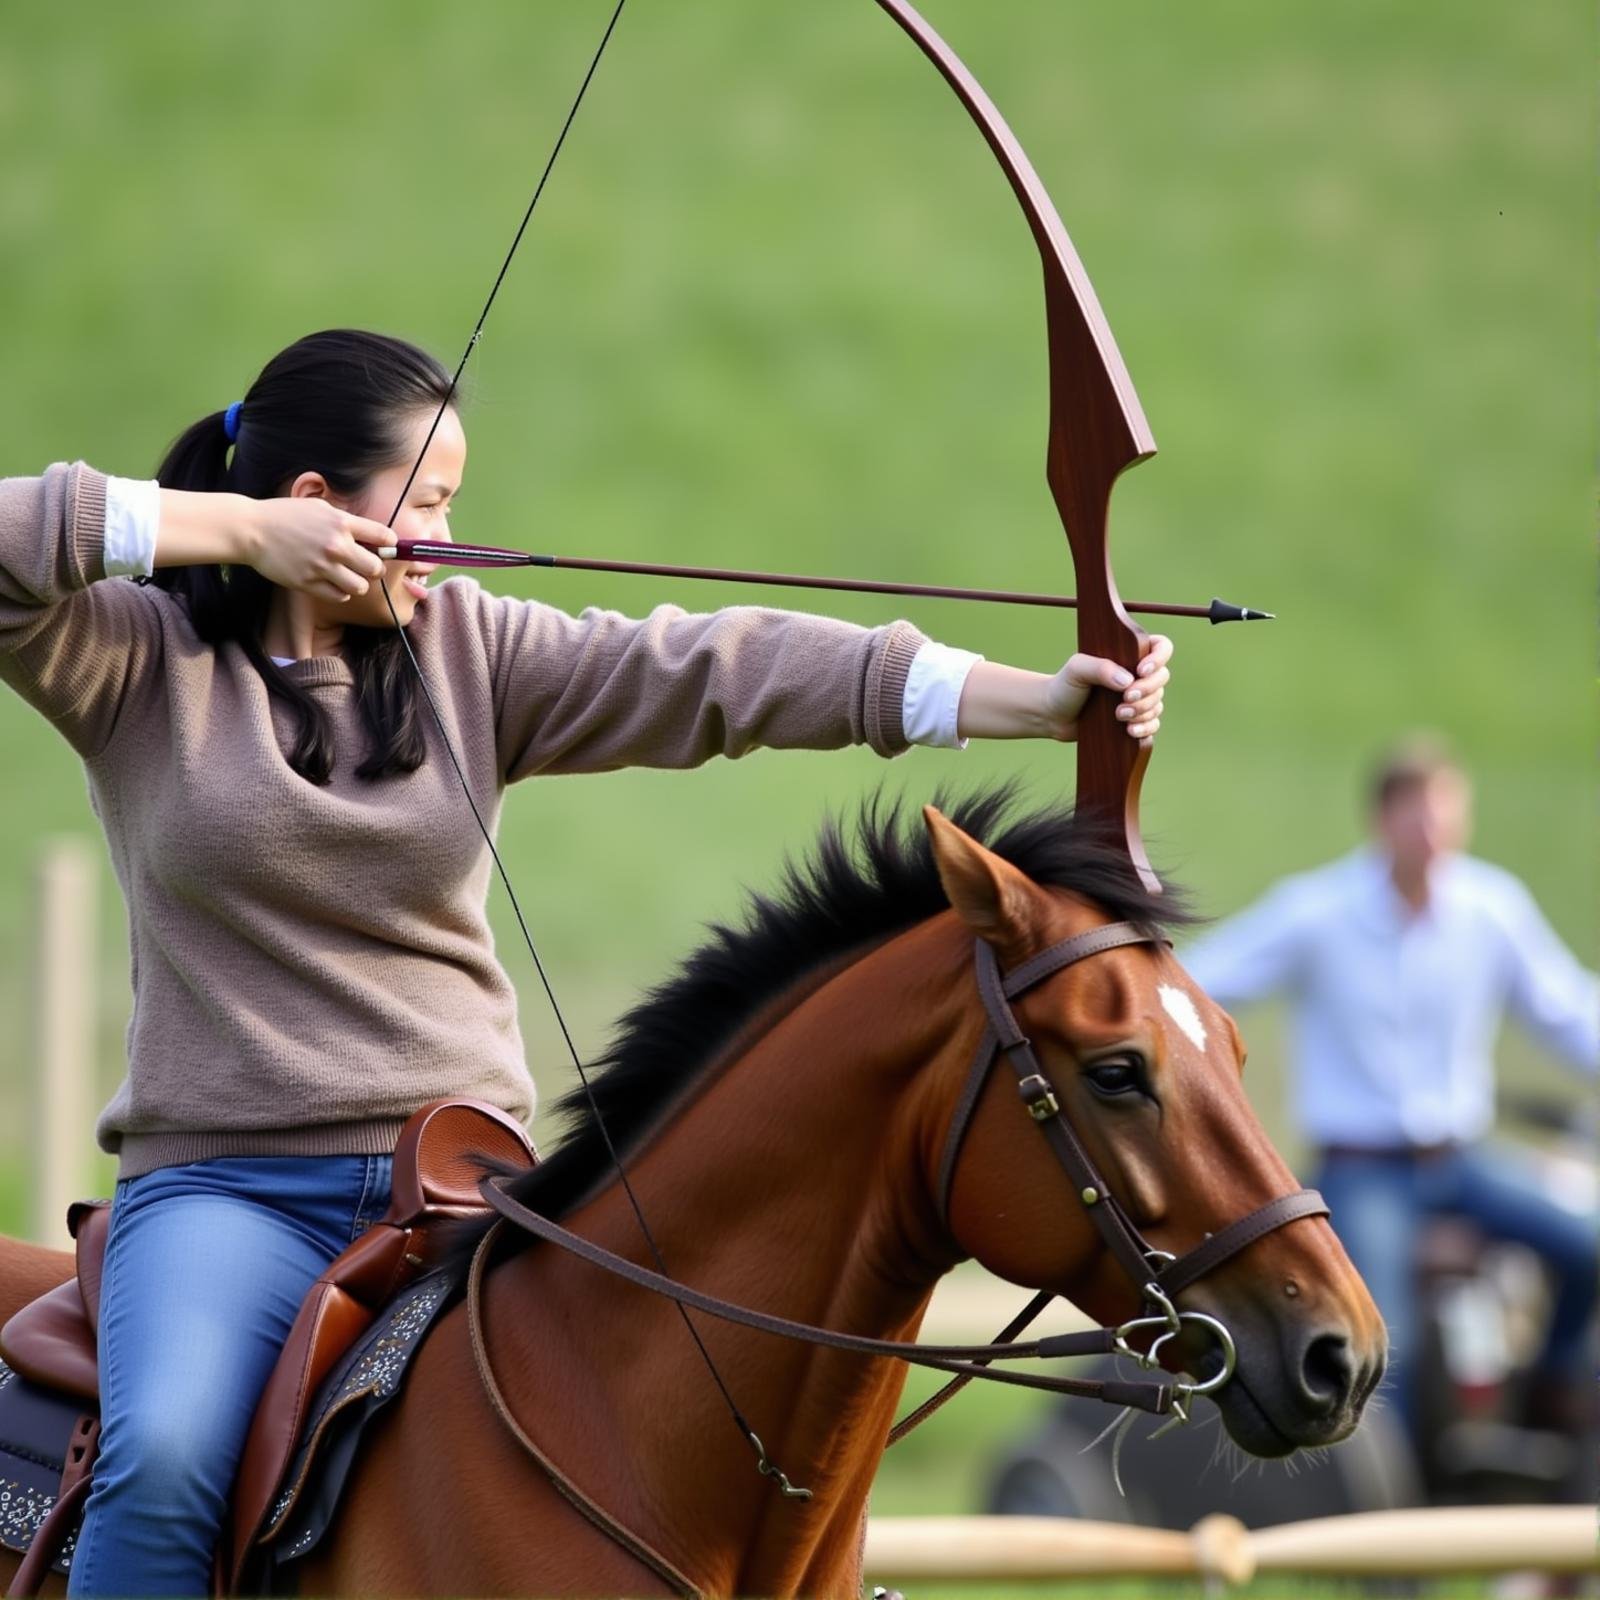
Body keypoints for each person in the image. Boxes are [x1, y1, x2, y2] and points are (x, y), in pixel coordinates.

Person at [0, 327, 1173, 1597]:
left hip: (457, 1186)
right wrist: (228, 533)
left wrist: (1029, 699)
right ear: (313, 507)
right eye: (430, 501)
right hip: (226, 1191)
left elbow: (719, 668)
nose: (454, 532)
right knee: (165, 1456)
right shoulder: (134, 662)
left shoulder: (474, 652)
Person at [1180, 736, 1597, 1450]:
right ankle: (1390, 1503)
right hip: (1360, 1169)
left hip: (1458, 1162)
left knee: (1586, 1248)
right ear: (1383, 820)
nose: (1433, 833)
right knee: (1381, 1336)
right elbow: (1207, 981)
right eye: (1416, 815)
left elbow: (1567, 1011)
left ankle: (1551, 1397)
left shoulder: (1489, 908)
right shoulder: (1318, 912)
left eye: (1445, 814)